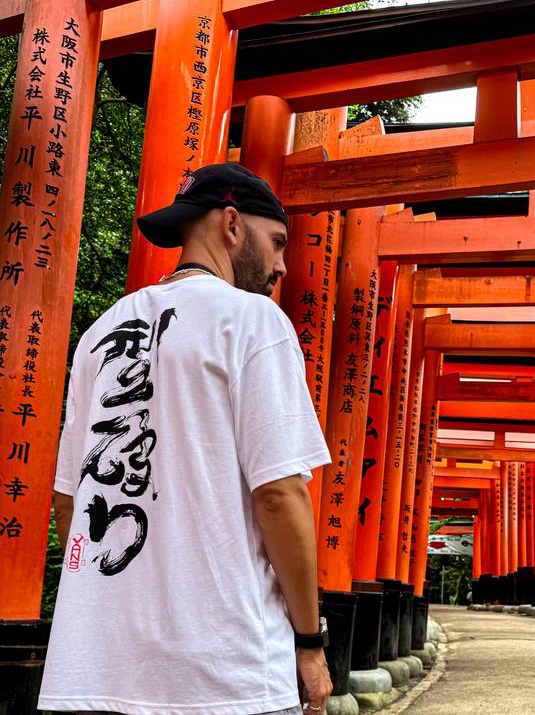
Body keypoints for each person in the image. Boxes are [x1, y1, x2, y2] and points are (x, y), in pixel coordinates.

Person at [38, 163, 334, 715]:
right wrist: (310, 643)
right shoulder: (253, 321)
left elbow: (67, 505)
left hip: (97, 673)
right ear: (230, 224)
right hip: (225, 676)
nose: (281, 266)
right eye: (277, 243)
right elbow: (279, 495)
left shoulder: (100, 334)